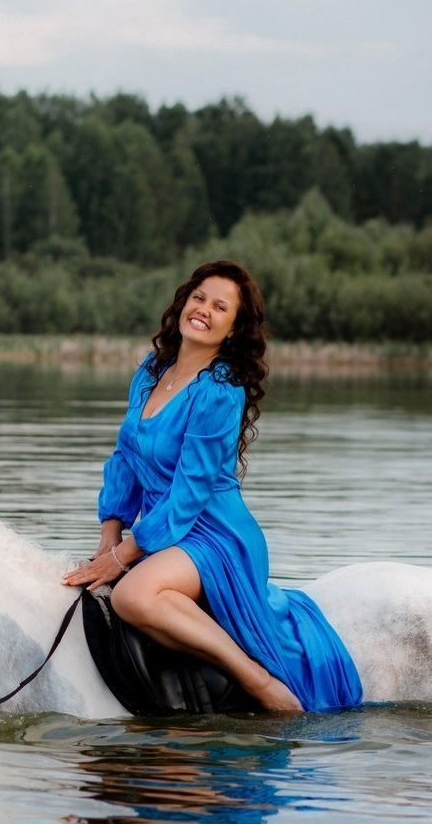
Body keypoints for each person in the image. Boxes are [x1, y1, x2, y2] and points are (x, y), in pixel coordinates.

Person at [63, 260, 363, 713]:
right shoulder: (150, 371)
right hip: (167, 531)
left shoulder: (221, 389)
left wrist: (125, 558)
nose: (203, 309)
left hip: (215, 534)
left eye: (220, 307)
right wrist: (110, 538)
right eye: (198, 297)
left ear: (232, 328)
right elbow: (126, 456)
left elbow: (189, 494)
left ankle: (256, 679)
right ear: (183, 303)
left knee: (132, 595)